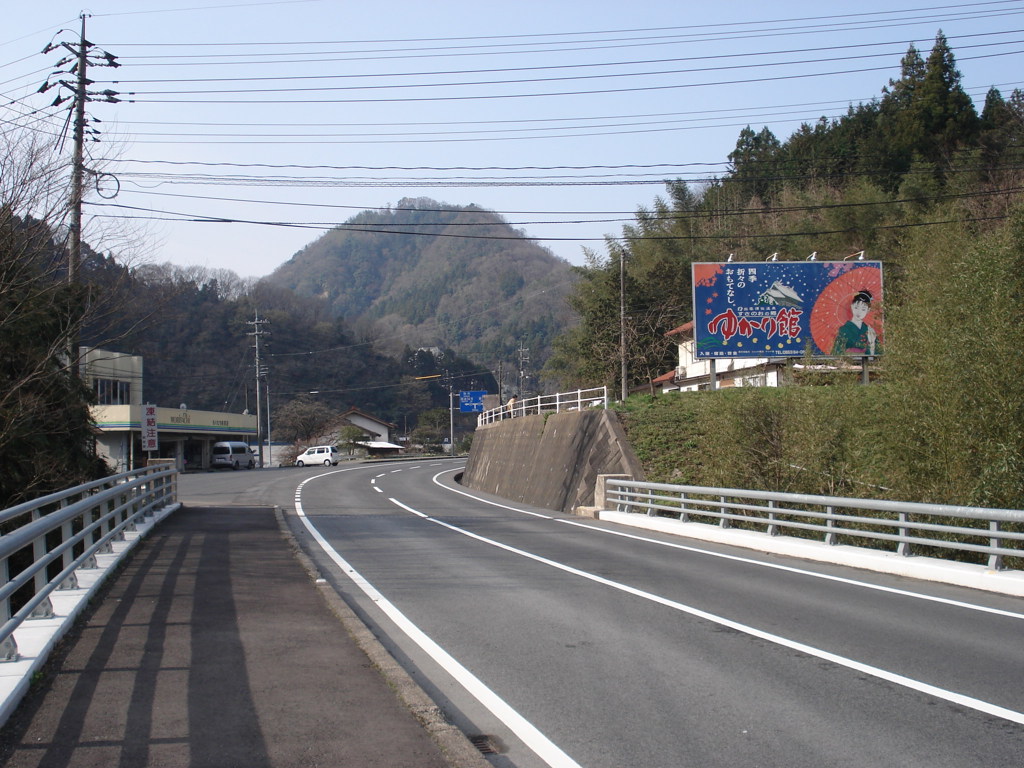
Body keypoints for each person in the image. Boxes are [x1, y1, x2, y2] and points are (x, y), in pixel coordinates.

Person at [831, 289, 879, 356]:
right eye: (856, 307)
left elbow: (877, 353)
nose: (859, 312)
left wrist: (872, 343)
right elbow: (837, 352)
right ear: (852, 306)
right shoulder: (843, 330)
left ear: (868, 310)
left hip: (865, 363)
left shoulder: (869, 330)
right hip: (847, 363)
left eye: (863, 309)